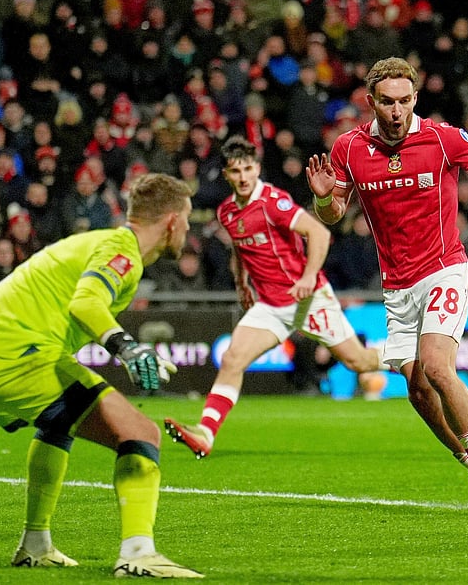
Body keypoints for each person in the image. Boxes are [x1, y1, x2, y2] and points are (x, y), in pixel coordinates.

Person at [305, 57, 468, 514]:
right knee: (417, 390)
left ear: (414, 99)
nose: (395, 110)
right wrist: (324, 196)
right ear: (371, 102)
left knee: (437, 365)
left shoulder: (442, 138)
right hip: (397, 286)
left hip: (445, 269)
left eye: (404, 101)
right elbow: (332, 215)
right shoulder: (348, 148)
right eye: (386, 102)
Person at [0, 173, 203, 577]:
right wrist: (126, 347)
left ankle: (35, 544)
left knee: (57, 425)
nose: (188, 229)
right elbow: (85, 303)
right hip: (13, 355)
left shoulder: (98, 243)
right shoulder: (122, 248)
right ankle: (138, 553)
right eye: (187, 219)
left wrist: (127, 343)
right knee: (141, 432)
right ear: (171, 220)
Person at [163, 136, 387, 458]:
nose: (243, 177)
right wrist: (242, 283)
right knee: (232, 359)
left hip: (309, 299)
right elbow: (240, 249)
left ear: (257, 169)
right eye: (235, 171)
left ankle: (409, 358)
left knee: (358, 361)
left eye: (248, 169)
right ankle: (206, 433)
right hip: (271, 305)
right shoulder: (227, 212)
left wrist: (309, 276)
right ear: (226, 174)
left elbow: (319, 233)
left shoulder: (273, 202)